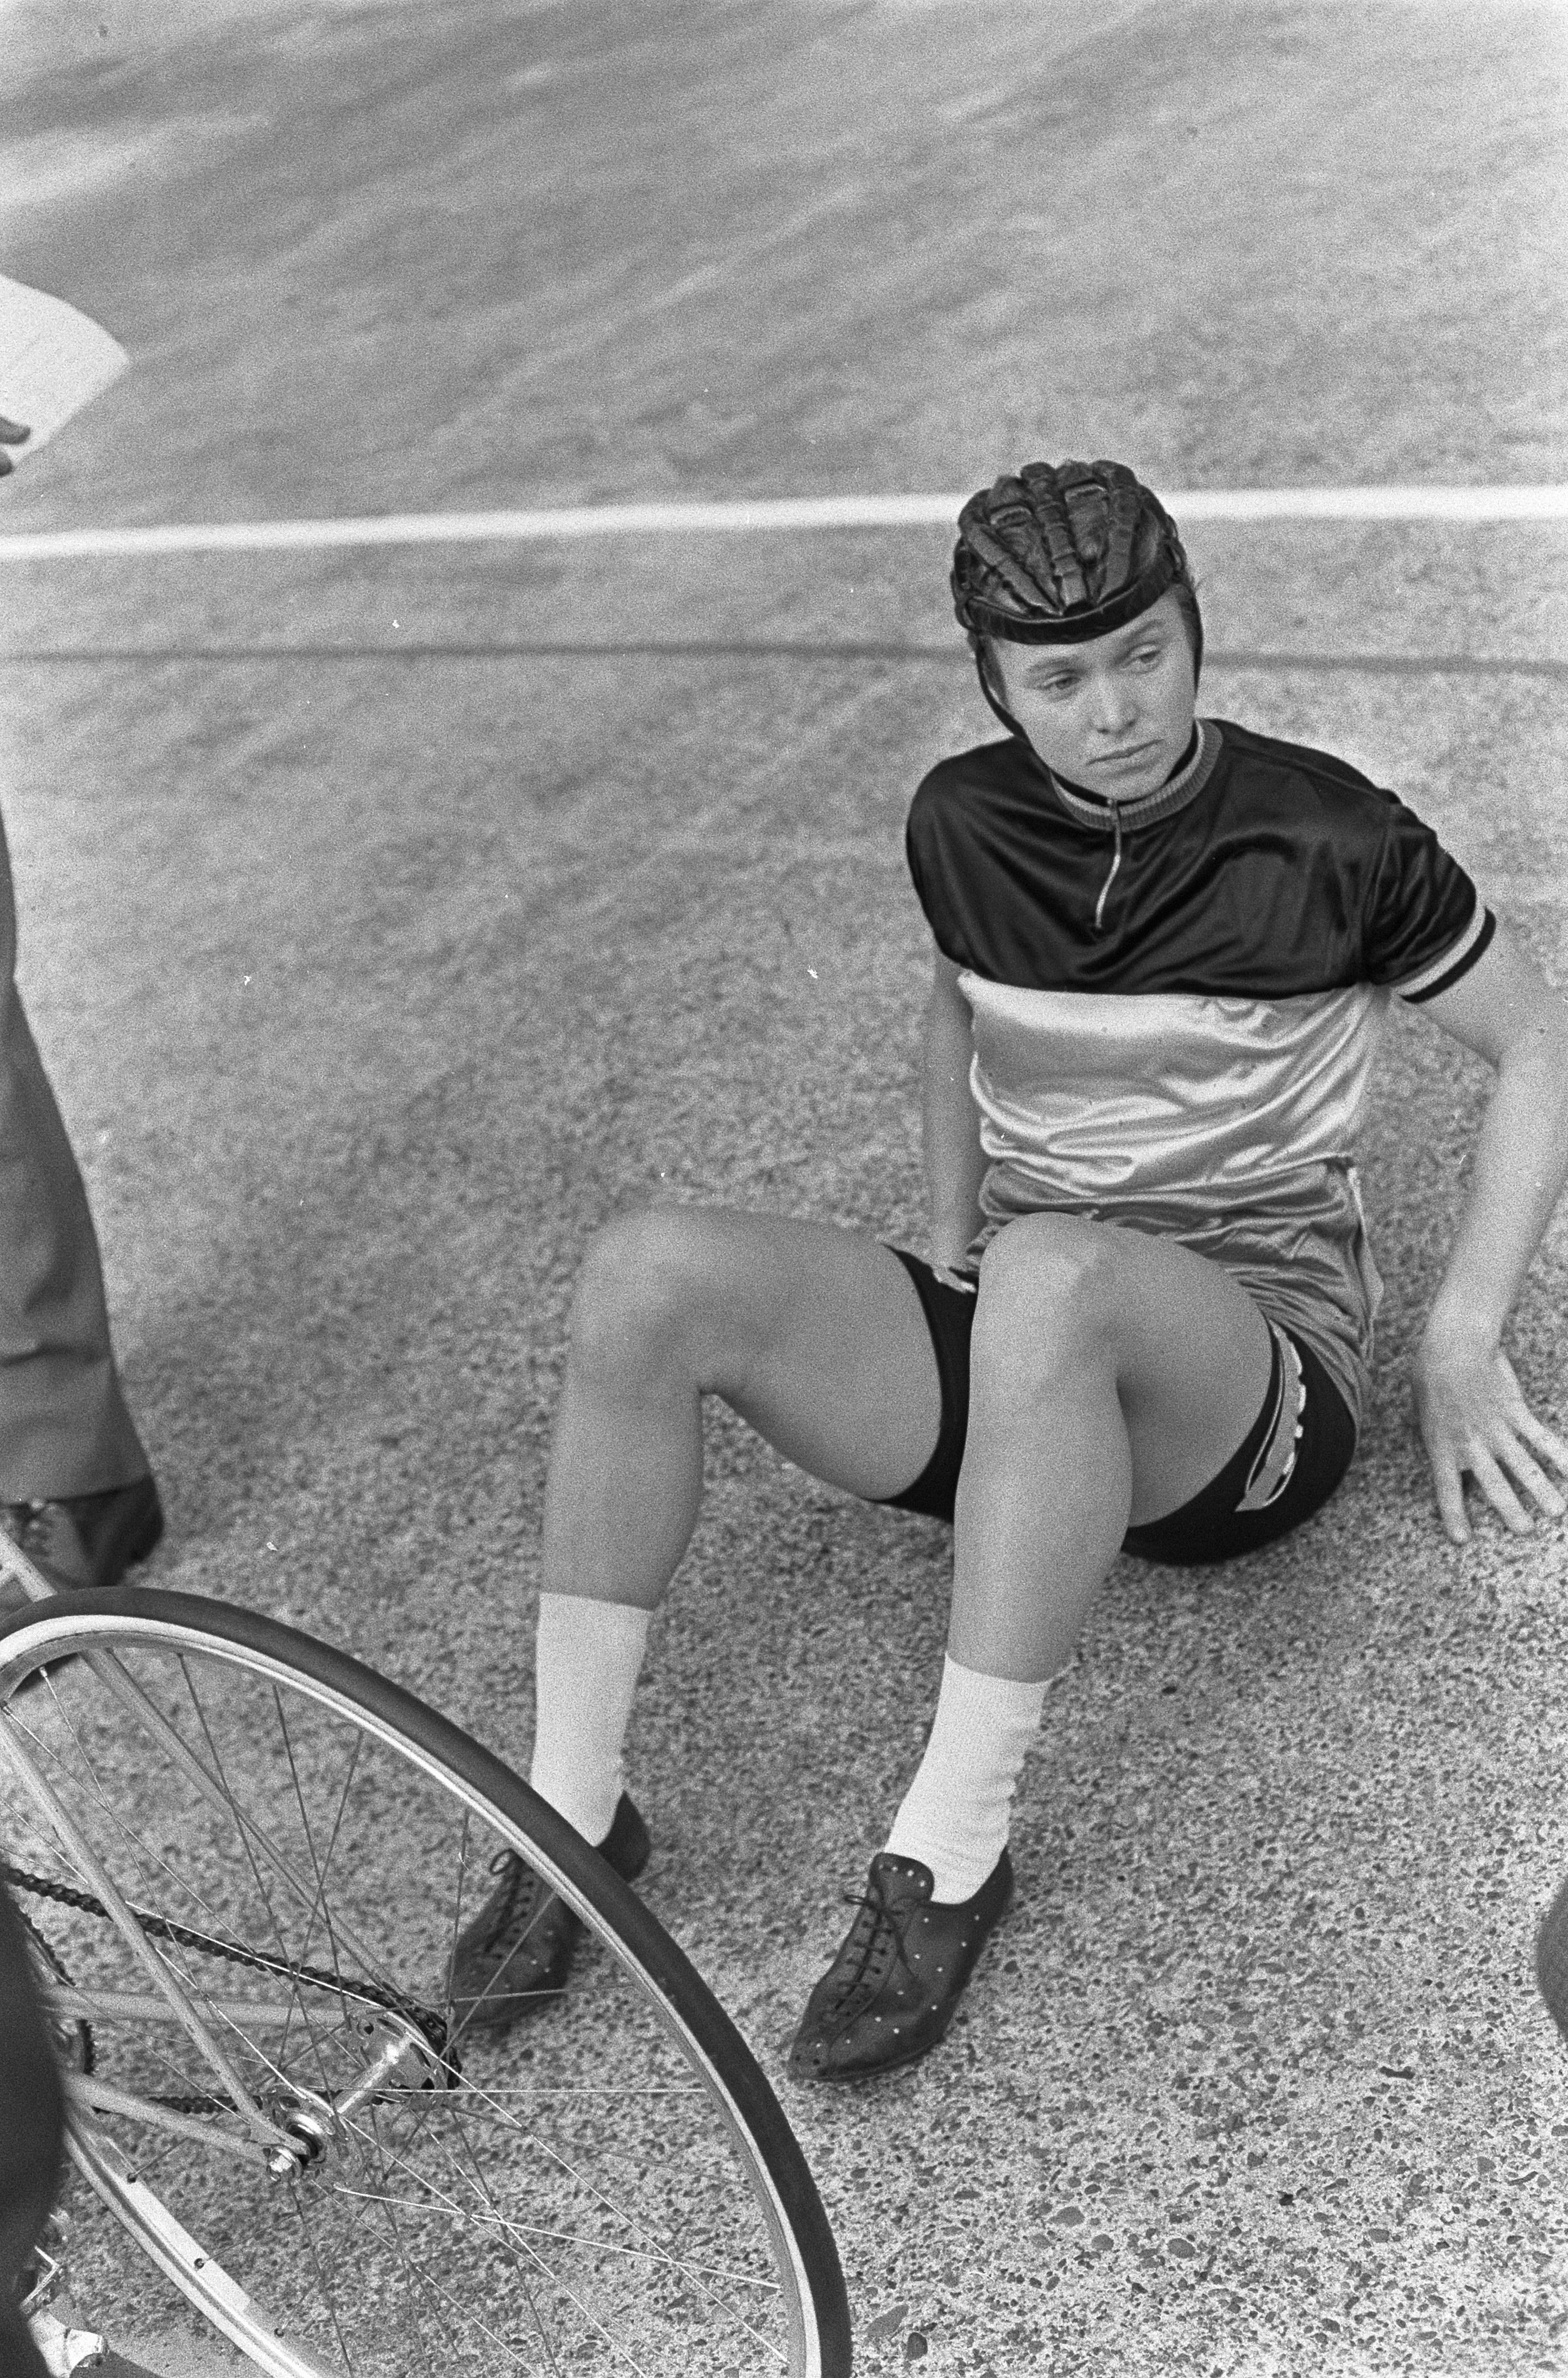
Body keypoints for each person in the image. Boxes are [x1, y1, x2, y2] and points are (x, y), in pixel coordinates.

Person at [450, 457, 1568, 2079]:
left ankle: (951, 1848)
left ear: (1195, 634)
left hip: (1250, 1385)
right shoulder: (960, 822)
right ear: (994, 684)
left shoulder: (1333, 833)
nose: (1114, 708)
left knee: (1051, 1274)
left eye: (1146, 655)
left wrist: (1462, 1336)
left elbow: (1538, 1038)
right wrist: (945, 1214)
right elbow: (958, 1006)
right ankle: (572, 1811)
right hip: (1028, 1335)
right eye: (1060, 679)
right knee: (643, 1274)